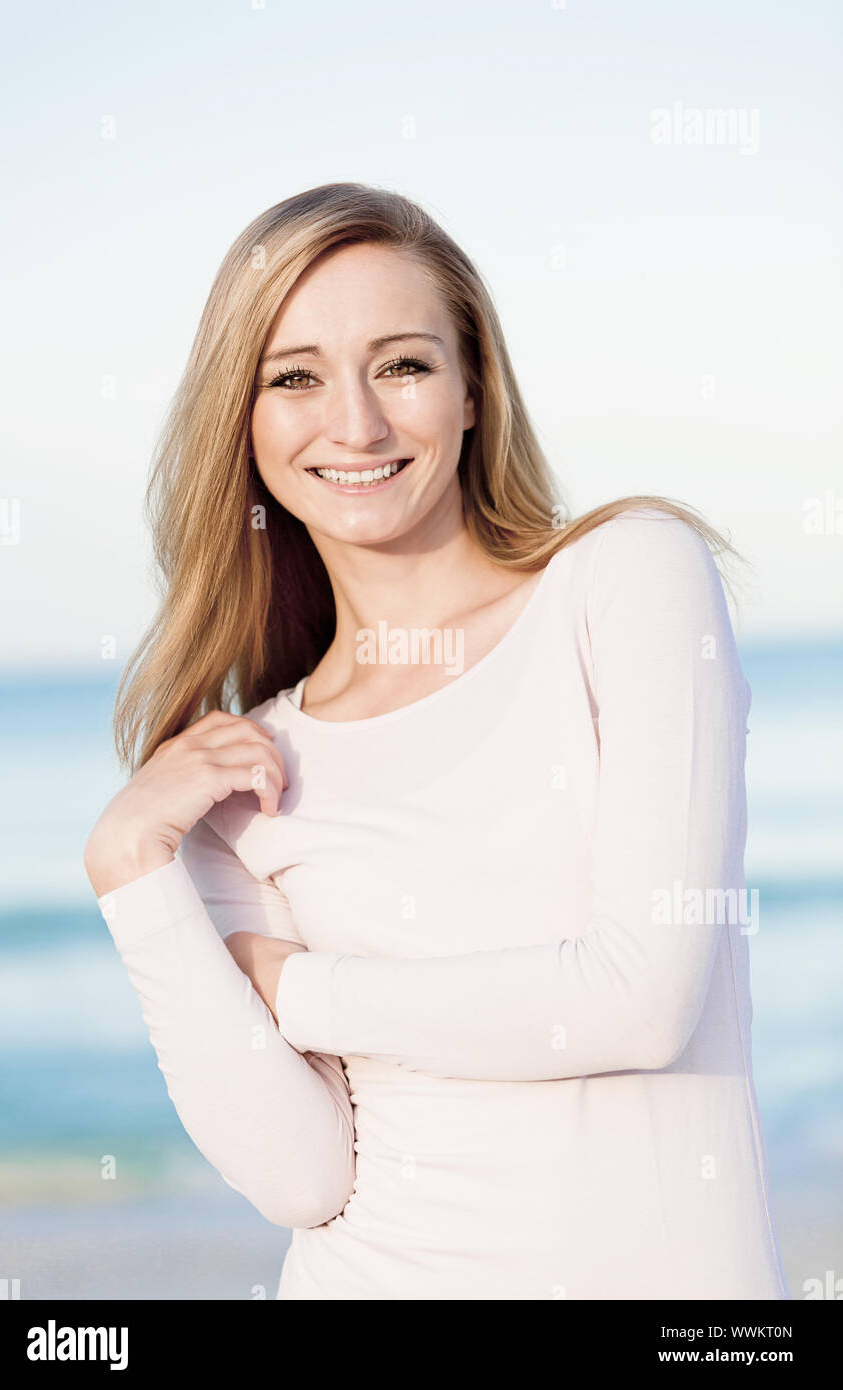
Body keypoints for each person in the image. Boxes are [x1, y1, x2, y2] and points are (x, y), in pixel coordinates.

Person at [84, 182, 790, 1300]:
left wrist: (298, 987)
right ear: (246, 420)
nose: (355, 424)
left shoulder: (624, 579)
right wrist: (130, 875)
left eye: (402, 365)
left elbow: (641, 998)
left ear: (473, 390)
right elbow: (299, 1176)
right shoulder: (240, 776)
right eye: (294, 377)